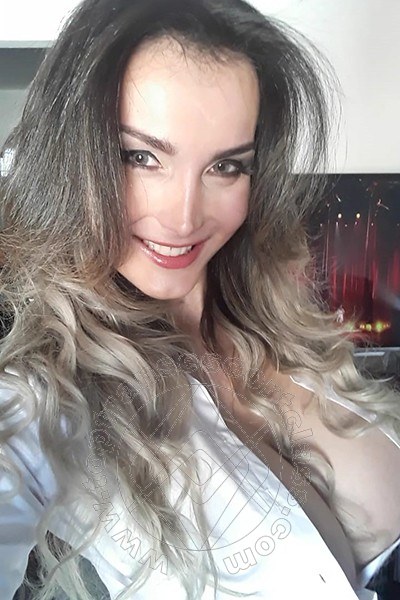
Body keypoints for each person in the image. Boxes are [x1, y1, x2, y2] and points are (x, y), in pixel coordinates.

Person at [0, 0, 399, 599]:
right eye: (140, 157)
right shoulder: (42, 391)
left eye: (226, 167)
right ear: (72, 160)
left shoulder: (274, 315)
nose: (185, 218)